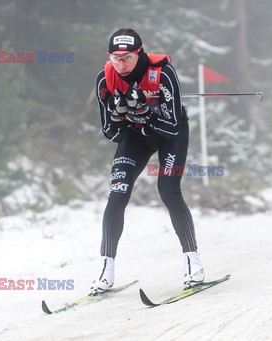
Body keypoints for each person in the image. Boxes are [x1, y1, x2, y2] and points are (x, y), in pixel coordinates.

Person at [90, 28, 204, 294]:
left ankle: (193, 262)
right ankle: (106, 269)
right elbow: (110, 132)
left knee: (168, 191)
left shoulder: (162, 73)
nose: (121, 64)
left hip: (168, 135)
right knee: (117, 194)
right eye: (115, 57)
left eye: (127, 57)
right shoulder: (105, 80)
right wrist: (120, 115)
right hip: (136, 136)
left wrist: (145, 111)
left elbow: (173, 125)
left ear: (139, 53)